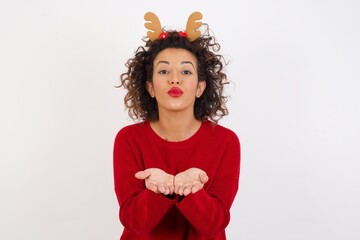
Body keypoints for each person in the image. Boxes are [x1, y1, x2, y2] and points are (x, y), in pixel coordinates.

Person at [113, 11, 241, 240]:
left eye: (185, 71)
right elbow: (133, 222)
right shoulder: (128, 139)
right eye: (163, 71)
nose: (175, 79)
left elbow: (215, 224)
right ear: (150, 87)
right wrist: (156, 190)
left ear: (200, 87)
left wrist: (192, 191)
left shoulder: (225, 141)